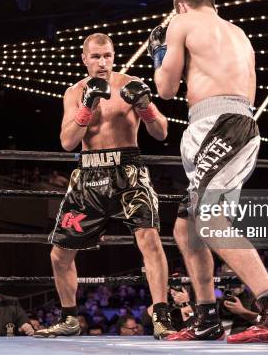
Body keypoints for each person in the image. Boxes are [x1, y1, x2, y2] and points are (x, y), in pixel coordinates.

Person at [151, 0, 268, 343]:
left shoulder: (181, 24)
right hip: (229, 123)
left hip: (221, 126)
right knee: (187, 228)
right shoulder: (237, 32)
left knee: (209, 217)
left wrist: (159, 52)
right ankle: (206, 317)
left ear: (181, 6)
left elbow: (166, 89)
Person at [35, 33, 175, 340]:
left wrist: (145, 106)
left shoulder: (131, 84)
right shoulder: (74, 93)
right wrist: (87, 106)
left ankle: (162, 317)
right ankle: (70, 318)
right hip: (89, 175)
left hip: (129, 172)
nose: (102, 62)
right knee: (59, 254)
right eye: (96, 56)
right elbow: (67, 142)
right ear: (84, 59)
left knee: (149, 239)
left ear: (114, 56)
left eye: (107, 56)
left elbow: (161, 132)